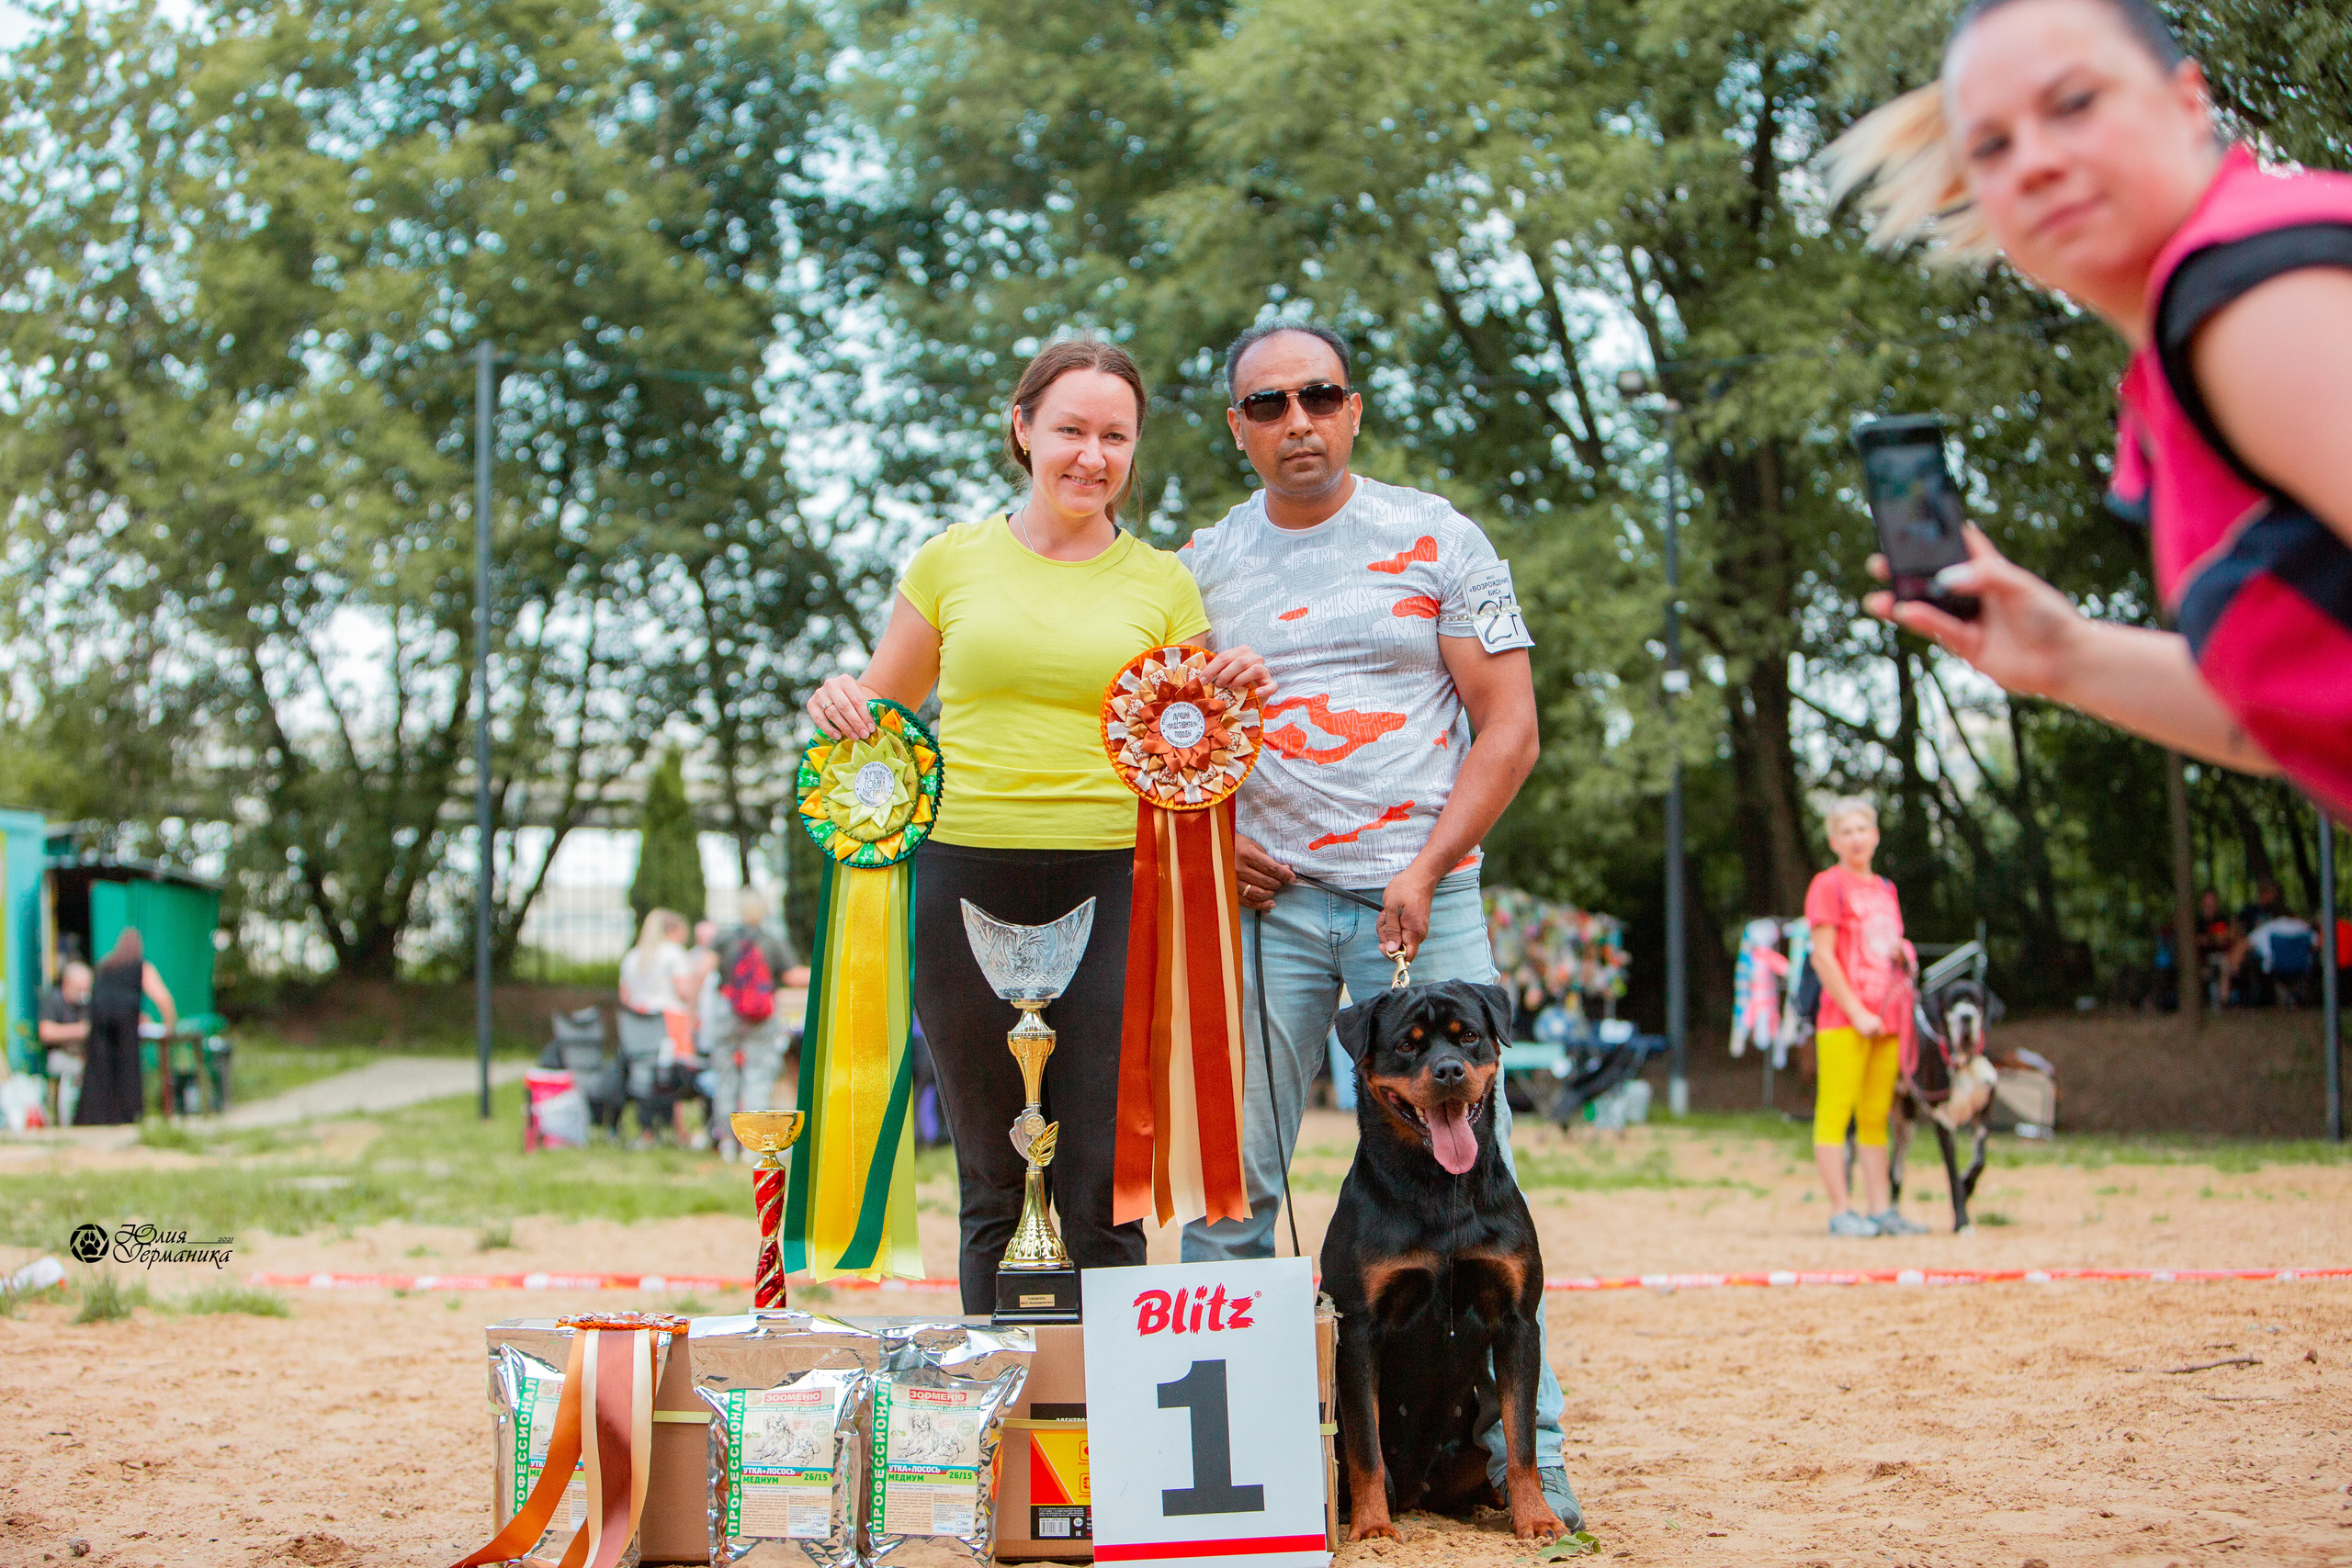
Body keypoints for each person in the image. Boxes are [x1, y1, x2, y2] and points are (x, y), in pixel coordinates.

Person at [1174, 321, 1577, 1525]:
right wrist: (1209, 838)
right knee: (1235, 1184)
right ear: (1238, 427)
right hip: (1272, 908)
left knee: (1478, 1169)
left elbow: (1510, 725)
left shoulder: (1441, 535)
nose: (1296, 418)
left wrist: (1433, 858)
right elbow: (1170, 741)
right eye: (1267, 403)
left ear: (1354, 409)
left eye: (1319, 394)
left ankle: (1534, 1474)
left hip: (1430, 898)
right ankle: (1228, 1487)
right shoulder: (1199, 567)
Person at [804, 339, 1272, 1314]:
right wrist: (841, 700)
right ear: (1022, 430)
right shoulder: (949, 562)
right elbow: (882, 715)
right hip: (962, 878)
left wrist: (1231, 699)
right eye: (1070, 430)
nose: (1090, 456)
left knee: (1100, 1183)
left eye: (1115, 435)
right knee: (991, 1177)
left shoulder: (1162, 585)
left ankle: (1109, 1439)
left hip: (1117, 884)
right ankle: (1006, 1437)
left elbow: (1193, 744)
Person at [1826, 0, 2352, 821]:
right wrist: (2064, 658)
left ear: (2188, 100)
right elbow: (2297, 719)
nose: (2033, 162)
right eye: (1991, 147)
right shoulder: (2196, 338)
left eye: (2074, 104)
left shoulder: (2248, 296)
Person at [1804, 798, 1926, 1238]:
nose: (1856, 838)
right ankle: (1842, 1211)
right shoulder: (1827, 885)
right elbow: (1822, 956)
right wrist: (1855, 1011)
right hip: (1843, 1020)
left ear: (1875, 835)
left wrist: (1904, 954)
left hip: (1888, 1020)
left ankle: (1881, 1210)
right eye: (1846, 831)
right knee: (1834, 1114)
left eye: (1863, 829)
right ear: (1834, 841)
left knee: (1877, 1115)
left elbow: (1890, 945)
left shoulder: (1885, 889)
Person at [707, 889, 810, 1162]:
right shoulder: (772, 941)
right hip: (761, 1017)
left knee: (726, 1076)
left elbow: (701, 969)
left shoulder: (724, 938)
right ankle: (750, 1145)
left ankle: (727, 1143)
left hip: (726, 1011)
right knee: (758, 1075)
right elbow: (793, 976)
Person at [617, 908, 711, 1145]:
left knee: (645, 1075)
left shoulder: (632, 956)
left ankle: (647, 1131)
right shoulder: (674, 954)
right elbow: (683, 991)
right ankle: (681, 1132)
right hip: (670, 1024)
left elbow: (625, 996)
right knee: (675, 1079)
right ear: (671, 931)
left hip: (638, 1027)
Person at [78, 931, 176, 1126]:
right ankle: (127, 1115)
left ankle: (95, 1118)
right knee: (127, 1066)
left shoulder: (105, 966)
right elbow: (164, 1000)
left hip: (99, 1021)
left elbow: (101, 996)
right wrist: (169, 1028)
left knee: (99, 1068)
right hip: (125, 1023)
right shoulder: (141, 967)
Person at [39, 961, 93, 1126]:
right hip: (60, 1055)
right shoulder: (53, 1000)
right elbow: (46, 1032)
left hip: (83, 1056)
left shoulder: (85, 1004)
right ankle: (66, 1122)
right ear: (67, 984)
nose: (84, 993)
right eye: (80, 988)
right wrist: (80, 1030)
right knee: (70, 1069)